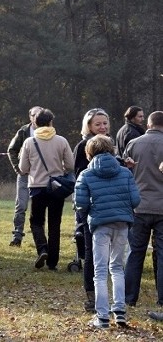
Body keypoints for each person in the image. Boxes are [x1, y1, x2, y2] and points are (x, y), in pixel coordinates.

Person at [74, 134, 140, 330]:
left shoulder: (86, 174)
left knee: (100, 271)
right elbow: (135, 200)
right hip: (122, 223)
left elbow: (80, 203)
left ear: (89, 153)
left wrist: (87, 213)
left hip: (100, 225)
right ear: (112, 151)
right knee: (117, 268)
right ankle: (119, 311)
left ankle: (102, 316)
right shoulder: (125, 173)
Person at [18, 108, 74, 270]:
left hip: (37, 187)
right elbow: (70, 165)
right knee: (55, 224)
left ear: (35, 123)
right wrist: (59, 169)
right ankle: (53, 262)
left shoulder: (29, 142)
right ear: (51, 122)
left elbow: (23, 168)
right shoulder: (61, 141)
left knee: (36, 222)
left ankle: (42, 248)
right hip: (56, 187)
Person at [73, 108, 111, 313]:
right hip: (90, 206)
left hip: (110, 205)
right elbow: (79, 176)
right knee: (90, 251)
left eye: (105, 123)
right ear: (89, 126)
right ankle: (91, 295)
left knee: (110, 253)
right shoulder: (82, 147)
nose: (103, 127)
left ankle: (108, 293)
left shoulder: (111, 144)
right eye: (98, 124)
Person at [124, 110, 163, 308]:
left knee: (135, 252)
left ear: (148, 125)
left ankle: (129, 298)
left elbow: (126, 171)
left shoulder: (134, 144)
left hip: (139, 206)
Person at [6, 106, 43, 246]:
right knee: (21, 206)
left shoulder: (49, 131)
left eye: (40, 114)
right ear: (30, 116)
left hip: (41, 176)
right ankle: (17, 236)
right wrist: (18, 168)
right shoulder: (23, 131)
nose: (37, 117)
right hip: (25, 175)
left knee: (39, 208)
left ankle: (40, 239)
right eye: (34, 115)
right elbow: (12, 150)